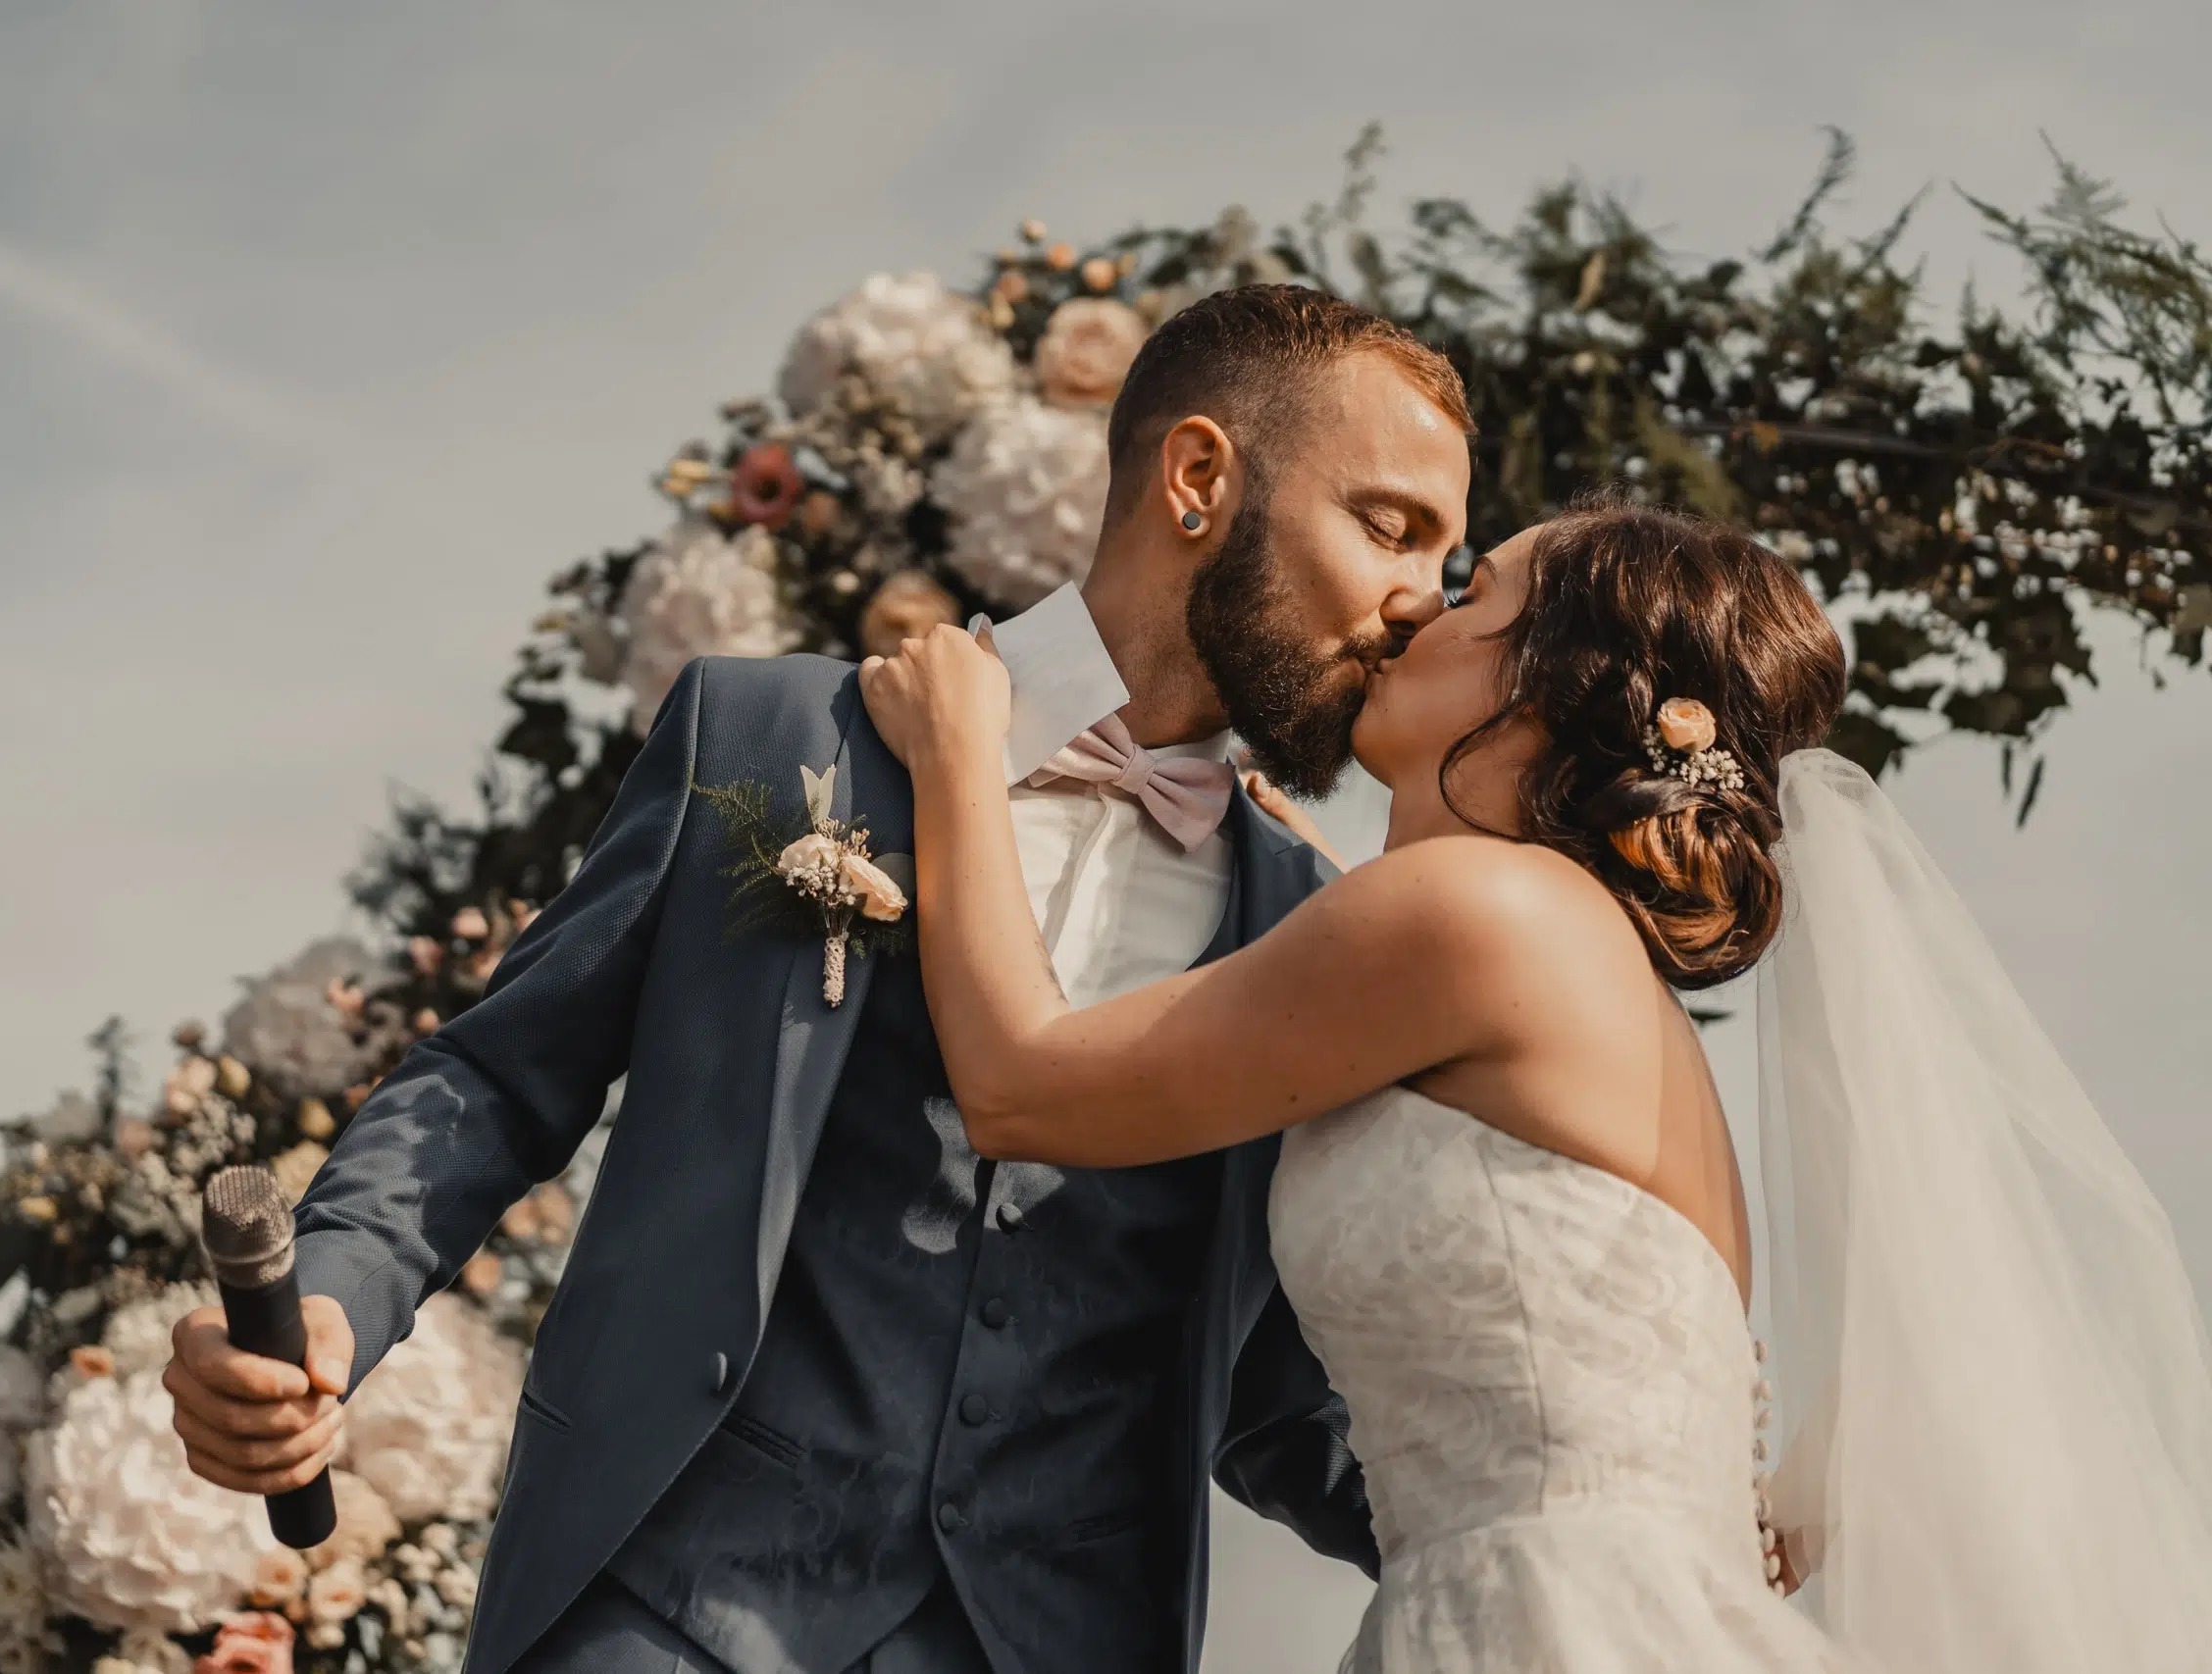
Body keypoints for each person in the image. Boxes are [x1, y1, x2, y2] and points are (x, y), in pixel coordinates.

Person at [160, 284, 1477, 1674]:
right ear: (1199, 477)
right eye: (1391, 527)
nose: (1421, 605)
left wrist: (1583, 1529)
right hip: (659, 1603)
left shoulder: (1314, 929)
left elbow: (1279, 1392)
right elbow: (496, 1078)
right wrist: (329, 1293)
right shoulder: (774, 734)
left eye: (1452, 562)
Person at [857, 498, 2212, 1671]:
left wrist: (958, 760)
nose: (1413, 611)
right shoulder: (1566, 959)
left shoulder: (1470, 913)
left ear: (1554, 683)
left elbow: (1029, 1089)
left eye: (1476, 590)